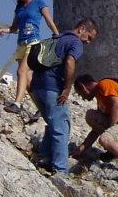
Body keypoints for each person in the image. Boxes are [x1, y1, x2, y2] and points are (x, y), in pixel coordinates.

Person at [29, 18, 99, 174]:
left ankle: (45, 158)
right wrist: (67, 89)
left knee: (52, 123)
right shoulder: (75, 42)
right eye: (89, 38)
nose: (88, 42)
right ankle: (61, 170)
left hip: (36, 87)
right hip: (53, 88)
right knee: (61, 127)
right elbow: (69, 62)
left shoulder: (56, 38)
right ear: (81, 29)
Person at [0, 0, 59, 113]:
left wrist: (56, 34)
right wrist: (5, 30)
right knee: (28, 80)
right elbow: (14, 28)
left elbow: (49, 21)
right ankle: (42, 109)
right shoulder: (19, 7)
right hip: (21, 44)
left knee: (21, 72)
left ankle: (17, 104)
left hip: (33, 42)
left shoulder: (39, 3)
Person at [71, 75, 118, 181]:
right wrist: (82, 147)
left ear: (83, 86)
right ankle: (113, 151)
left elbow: (116, 106)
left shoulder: (105, 84)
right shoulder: (100, 97)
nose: (82, 98)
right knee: (91, 115)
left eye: (80, 94)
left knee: (105, 139)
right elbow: (95, 130)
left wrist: (110, 131)